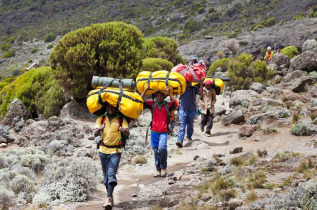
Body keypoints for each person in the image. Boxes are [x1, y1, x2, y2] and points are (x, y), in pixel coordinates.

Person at [94, 103, 130, 210]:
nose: (110, 109)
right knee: (106, 177)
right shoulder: (101, 119)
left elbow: (128, 133)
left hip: (116, 150)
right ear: (106, 108)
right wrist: (99, 129)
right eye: (108, 107)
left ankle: (108, 198)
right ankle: (110, 196)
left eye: (112, 107)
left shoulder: (121, 120)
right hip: (103, 150)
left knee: (111, 173)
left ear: (115, 108)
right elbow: (95, 134)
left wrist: (123, 130)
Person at [141, 86, 178, 177]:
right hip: (154, 131)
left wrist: (169, 92)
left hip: (163, 131)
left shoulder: (167, 105)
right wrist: (145, 90)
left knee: (162, 148)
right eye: (157, 96)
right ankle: (158, 169)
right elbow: (139, 101)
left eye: (161, 96)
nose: (159, 97)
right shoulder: (152, 104)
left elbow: (176, 104)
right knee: (156, 151)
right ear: (155, 97)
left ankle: (164, 168)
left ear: (163, 96)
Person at [176, 81, 203, 147]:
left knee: (190, 125)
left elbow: (200, 92)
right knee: (182, 125)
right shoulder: (181, 88)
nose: (188, 83)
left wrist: (201, 83)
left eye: (189, 82)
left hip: (191, 110)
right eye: (187, 82)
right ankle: (180, 141)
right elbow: (175, 91)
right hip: (182, 109)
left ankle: (189, 136)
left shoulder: (194, 88)